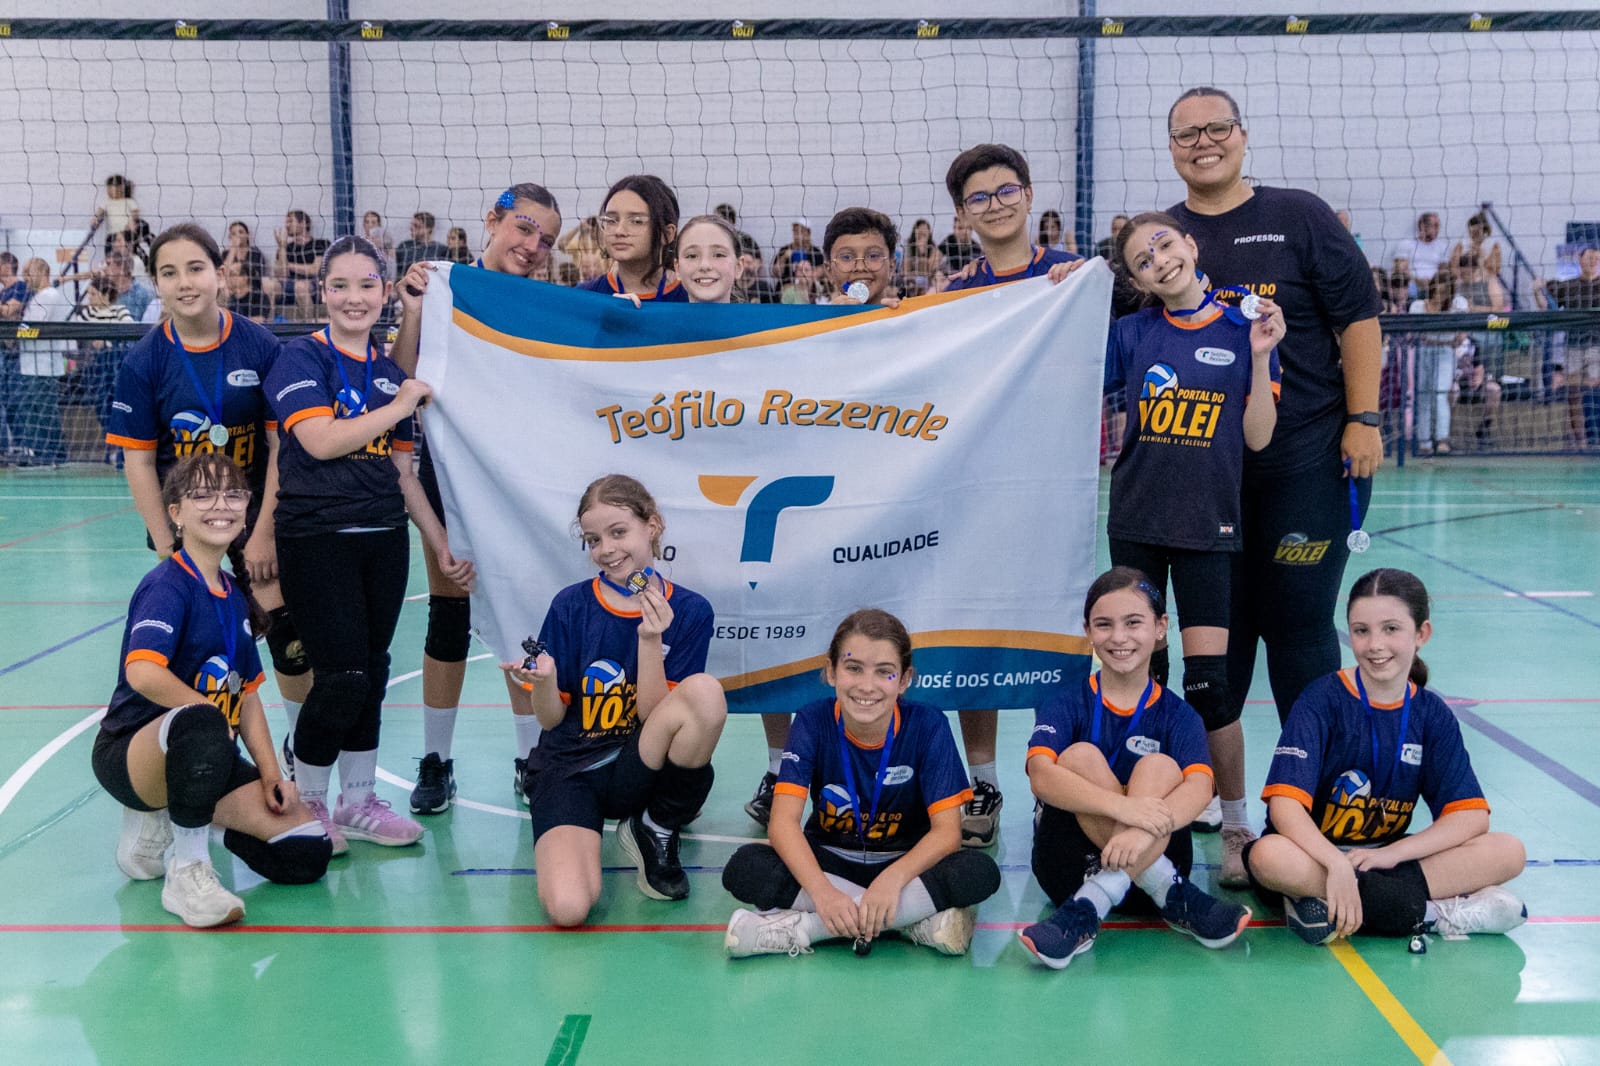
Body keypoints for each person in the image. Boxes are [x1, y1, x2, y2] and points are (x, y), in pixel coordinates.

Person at [1165, 88, 1383, 832]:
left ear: (1242, 135)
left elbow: (1359, 318)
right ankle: (1220, 804)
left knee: (1298, 629)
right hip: (1207, 479)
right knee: (1217, 646)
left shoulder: (1300, 216)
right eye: (1187, 134)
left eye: (1216, 128)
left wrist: (1363, 419)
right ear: (1171, 149)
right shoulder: (1164, 238)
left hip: (1307, 462)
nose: (1204, 142)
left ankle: (1314, 800)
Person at [1103, 212, 1285, 886]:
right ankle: (1137, 813)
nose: (1158, 259)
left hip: (1209, 528)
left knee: (1211, 687)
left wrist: (1261, 353)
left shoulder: (1246, 328)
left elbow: (1259, 437)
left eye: (1163, 244)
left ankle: (1235, 824)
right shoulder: (1133, 333)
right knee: (1137, 677)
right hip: (1137, 522)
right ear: (1138, 281)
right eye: (1142, 260)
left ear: (1190, 244)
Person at [266, 235, 459, 854]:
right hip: (317, 537)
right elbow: (320, 441)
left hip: (384, 539)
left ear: (384, 292)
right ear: (322, 293)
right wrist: (400, 404)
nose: (354, 297)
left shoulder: (388, 372)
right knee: (343, 676)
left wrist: (440, 546)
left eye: (367, 285)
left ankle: (358, 800)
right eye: (341, 285)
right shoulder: (300, 358)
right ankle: (309, 802)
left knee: (373, 672)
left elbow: (403, 473)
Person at [90, 454, 333, 927]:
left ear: (246, 508)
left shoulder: (233, 593)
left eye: (232, 494)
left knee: (307, 852)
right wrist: (209, 713)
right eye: (202, 495)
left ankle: (183, 813)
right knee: (202, 719)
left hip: (206, 754)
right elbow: (142, 673)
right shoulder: (167, 585)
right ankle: (187, 869)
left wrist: (271, 775)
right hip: (132, 754)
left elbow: (248, 695)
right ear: (176, 513)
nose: (220, 505)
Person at [391, 183, 563, 814]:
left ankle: (529, 758)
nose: (533, 245)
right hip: (451, 473)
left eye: (546, 239)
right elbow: (398, 375)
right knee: (449, 614)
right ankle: (436, 760)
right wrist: (414, 310)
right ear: (491, 220)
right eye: (524, 228)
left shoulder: (544, 303)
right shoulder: (443, 288)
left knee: (521, 616)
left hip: (518, 481)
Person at [1244, 568, 1528, 945]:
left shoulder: (1431, 714)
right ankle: (1433, 914)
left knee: (1509, 851)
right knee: (1266, 856)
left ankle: (1322, 902)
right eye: (1361, 631)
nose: (1375, 644)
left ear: (1421, 634)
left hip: (1385, 858)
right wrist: (1334, 862)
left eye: (1391, 629)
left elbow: (1471, 816)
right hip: (1312, 854)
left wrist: (1393, 854)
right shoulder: (1320, 700)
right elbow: (1285, 807)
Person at [105, 223, 309, 729]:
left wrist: (264, 534)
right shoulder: (144, 361)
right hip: (190, 524)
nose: (184, 283)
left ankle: (302, 747)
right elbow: (139, 462)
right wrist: (167, 547)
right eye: (169, 273)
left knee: (287, 638)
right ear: (157, 283)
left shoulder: (258, 346)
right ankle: (210, 746)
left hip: (254, 513)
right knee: (206, 649)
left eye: (195, 268)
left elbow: (280, 447)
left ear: (220, 274)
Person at [939, 142, 1085, 848]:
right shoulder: (950, 296)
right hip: (974, 491)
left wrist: (1085, 289)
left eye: (1005, 191)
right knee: (978, 636)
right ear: (962, 215)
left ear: (1028, 195)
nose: (994, 205)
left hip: (1051, 489)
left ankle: (1056, 781)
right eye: (979, 198)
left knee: (1052, 633)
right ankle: (984, 781)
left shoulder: (1074, 280)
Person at [501, 475, 726, 925]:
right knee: (569, 909)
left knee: (705, 693)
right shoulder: (570, 605)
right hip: (571, 769)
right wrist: (544, 682)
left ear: (652, 526)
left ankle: (654, 825)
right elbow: (551, 719)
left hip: (638, 766)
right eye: (593, 540)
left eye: (618, 532)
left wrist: (649, 639)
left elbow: (654, 716)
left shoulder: (691, 610)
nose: (606, 549)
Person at [722, 609, 1000, 958]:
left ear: (904, 680)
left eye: (884, 672)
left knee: (978, 872)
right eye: (853, 668)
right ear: (831, 672)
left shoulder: (928, 726)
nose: (867, 686)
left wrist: (893, 879)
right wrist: (823, 893)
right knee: (745, 866)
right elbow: (782, 825)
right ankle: (911, 921)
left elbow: (947, 834)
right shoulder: (812, 721)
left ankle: (806, 929)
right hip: (830, 861)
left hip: (904, 865)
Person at [1019, 569, 1251, 968]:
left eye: (1133, 623)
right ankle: (1172, 893)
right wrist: (1126, 809)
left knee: (1160, 766)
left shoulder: (1179, 715)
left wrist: (1140, 834)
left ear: (1160, 628)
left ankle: (1089, 907)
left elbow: (1200, 787)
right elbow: (1040, 774)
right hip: (1069, 867)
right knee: (1078, 757)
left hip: (1153, 850)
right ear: (1088, 632)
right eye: (1104, 625)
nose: (1119, 637)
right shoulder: (1066, 701)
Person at [579, 175, 687, 302]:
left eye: (636, 221)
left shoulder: (692, 297)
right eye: (611, 220)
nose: (619, 231)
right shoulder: (585, 297)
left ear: (667, 234)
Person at [1535, 246, 1600, 448]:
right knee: (1574, 392)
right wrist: (1537, 289)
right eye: (1589, 257)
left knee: (1593, 383)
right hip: (1573, 346)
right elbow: (1545, 307)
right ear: (1579, 259)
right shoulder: (1568, 285)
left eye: (1597, 258)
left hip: (1596, 345)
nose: (1593, 261)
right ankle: (1581, 442)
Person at [18, 259, 73, 466]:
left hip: (43, 366)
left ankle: (51, 454)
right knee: (34, 411)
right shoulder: (38, 297)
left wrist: (14, 334)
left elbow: (34, 329)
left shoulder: (48, 296)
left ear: (42, 271)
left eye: (28, 272)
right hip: (32, 365)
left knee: (44, 413)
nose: (24, 277)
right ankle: (40, 452)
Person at [1408, 270, 1468, 456]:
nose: (1439, 295)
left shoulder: (1457, 304)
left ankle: (1442, 439)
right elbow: (1413, 331)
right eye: (1436, 290)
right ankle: (1424, 441)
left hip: (1445, 352)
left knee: (1440, 393)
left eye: (1444, 291)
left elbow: (1463, 330)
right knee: (1423, 395)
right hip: (1424, 351)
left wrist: (1458, 338)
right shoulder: (1418, 306)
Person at [273, 210, 329, 318]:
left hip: (314, 284)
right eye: (286, 222)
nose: (287, 225)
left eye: (290, 221)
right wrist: (282, 247)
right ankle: (267, 325)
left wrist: (289, 265)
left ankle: (309, 324)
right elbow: (281, 275)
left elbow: (314, 270)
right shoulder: (287, 247)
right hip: (290, 284)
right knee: (268, 285)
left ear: (303, 223)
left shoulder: (320, 244)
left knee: (300, 286)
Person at [1396, 211, 1449, 285]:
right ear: (1423, 226)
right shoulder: (1406, 244)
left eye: (1438, 226)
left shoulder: (1442, 246)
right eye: (1435, 226)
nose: (1438, 229)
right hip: (1411, 285)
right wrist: (1418, 281)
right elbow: (1400, 269)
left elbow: (1444, 270)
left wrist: (1432, 282)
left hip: (1434, 286)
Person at [1449, 212, 1502, 283]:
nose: (1473, 236)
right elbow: (1453, 267)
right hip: (1463, 281)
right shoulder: (1461, 245)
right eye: (1471, 232)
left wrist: (1480, 255)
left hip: (1485, 281)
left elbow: (1494, 271)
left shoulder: (1493, 246)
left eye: (1476, 233)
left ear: (1484, 231)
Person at [393, 211, 449, 276]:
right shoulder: (404, 246)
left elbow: (440, 272)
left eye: (416, 226)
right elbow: (396, 271)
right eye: (411, 225)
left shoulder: (441, 249)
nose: (411, 228)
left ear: (429, 229)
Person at [901, 218, 945, 296]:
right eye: (919, 230)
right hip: (910, 281)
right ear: (915, 233)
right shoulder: (909, 245)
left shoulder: (933, 247)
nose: (922, 232)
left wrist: (923, 252)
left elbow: (930, 272)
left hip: (926, 282)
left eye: (924, 230)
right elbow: (906, 271)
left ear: (929, 233)